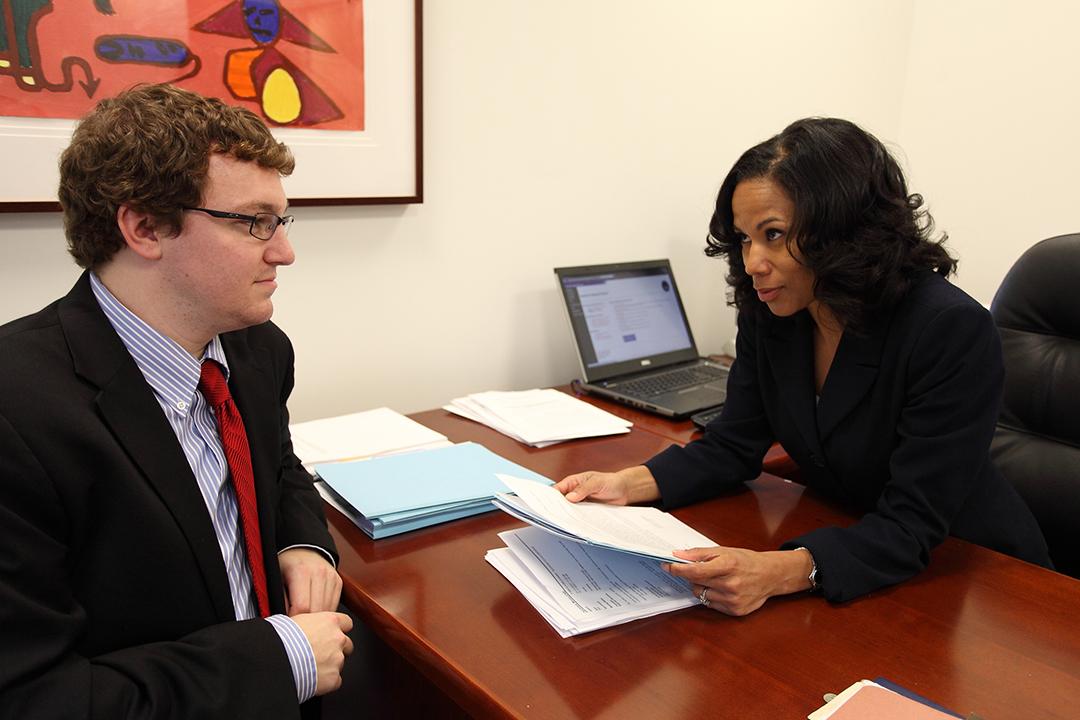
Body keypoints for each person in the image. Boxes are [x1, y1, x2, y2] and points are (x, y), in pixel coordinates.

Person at [555, 118, 1051, 616]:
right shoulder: (775, 310)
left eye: (773, 235)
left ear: (843, 230)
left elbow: (912, 523)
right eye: (745, 239)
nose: (752, 262)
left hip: (976, 576)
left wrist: (778, 571)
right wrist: (627, 483)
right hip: (858, 545)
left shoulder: (948, 329)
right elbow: (734, 444)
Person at [0, 84, 352, 718]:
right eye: (254, 223)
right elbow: (34, 697)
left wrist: (305, 544)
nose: (285, 251)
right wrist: (280, 661)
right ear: (145, 228)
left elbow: (279, 466)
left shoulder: (256, 349)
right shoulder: (15, 413)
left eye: (281, 221)